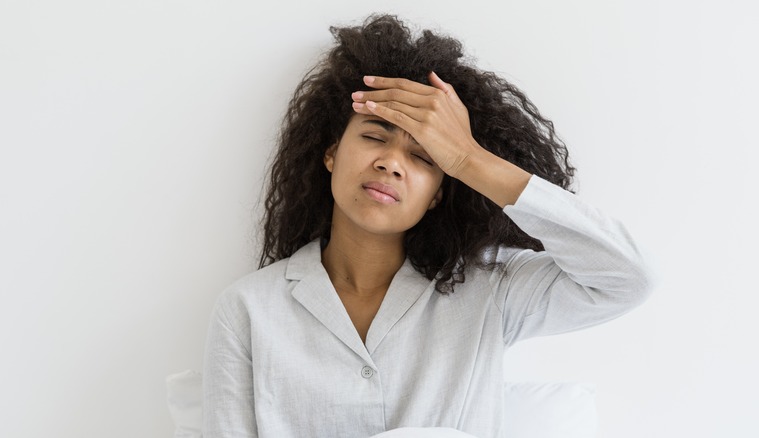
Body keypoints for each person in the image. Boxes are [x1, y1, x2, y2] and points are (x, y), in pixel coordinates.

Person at [202, 14, 654, 438]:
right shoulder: (249, 310)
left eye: (423, 157)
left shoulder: (490, 290)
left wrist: (467, 157)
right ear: (331, 153)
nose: (390, 163)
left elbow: (626, 279)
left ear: (441, 189)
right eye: (375, 136)